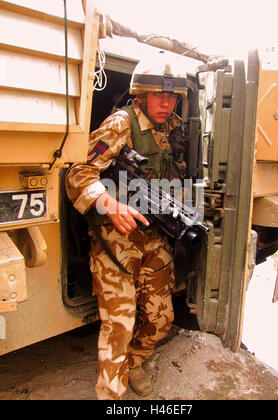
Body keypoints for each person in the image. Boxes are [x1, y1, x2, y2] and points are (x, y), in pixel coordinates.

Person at [65, 54, 188, 400]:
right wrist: (109, 203)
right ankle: (111, 396)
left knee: (160, 320)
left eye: (172, 97)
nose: (166, 103)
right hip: (114, 237)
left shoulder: (172, 128)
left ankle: (134, 362)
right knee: (119, 326)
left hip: (153, 233)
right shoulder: (121, 123)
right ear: (141, 96)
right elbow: (78, 172)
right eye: (158, 96)